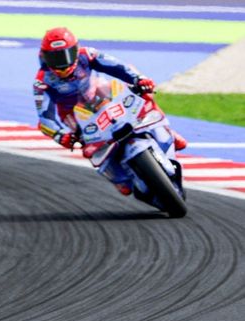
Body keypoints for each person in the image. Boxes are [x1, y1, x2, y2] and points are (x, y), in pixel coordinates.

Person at [35, 26, 187, 195]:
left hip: (99, 93)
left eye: (65, 55)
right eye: (54, 57)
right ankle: (118, 177)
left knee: (142, 93)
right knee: (88, 147)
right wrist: (61, 135)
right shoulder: (42, 81)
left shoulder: (87, 55)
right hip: (73, 114)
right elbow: (45, 118)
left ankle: (165, 130)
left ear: (75, 50)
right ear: (44, 56)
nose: (61, 63)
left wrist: (138, 79)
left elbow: (117, 66)